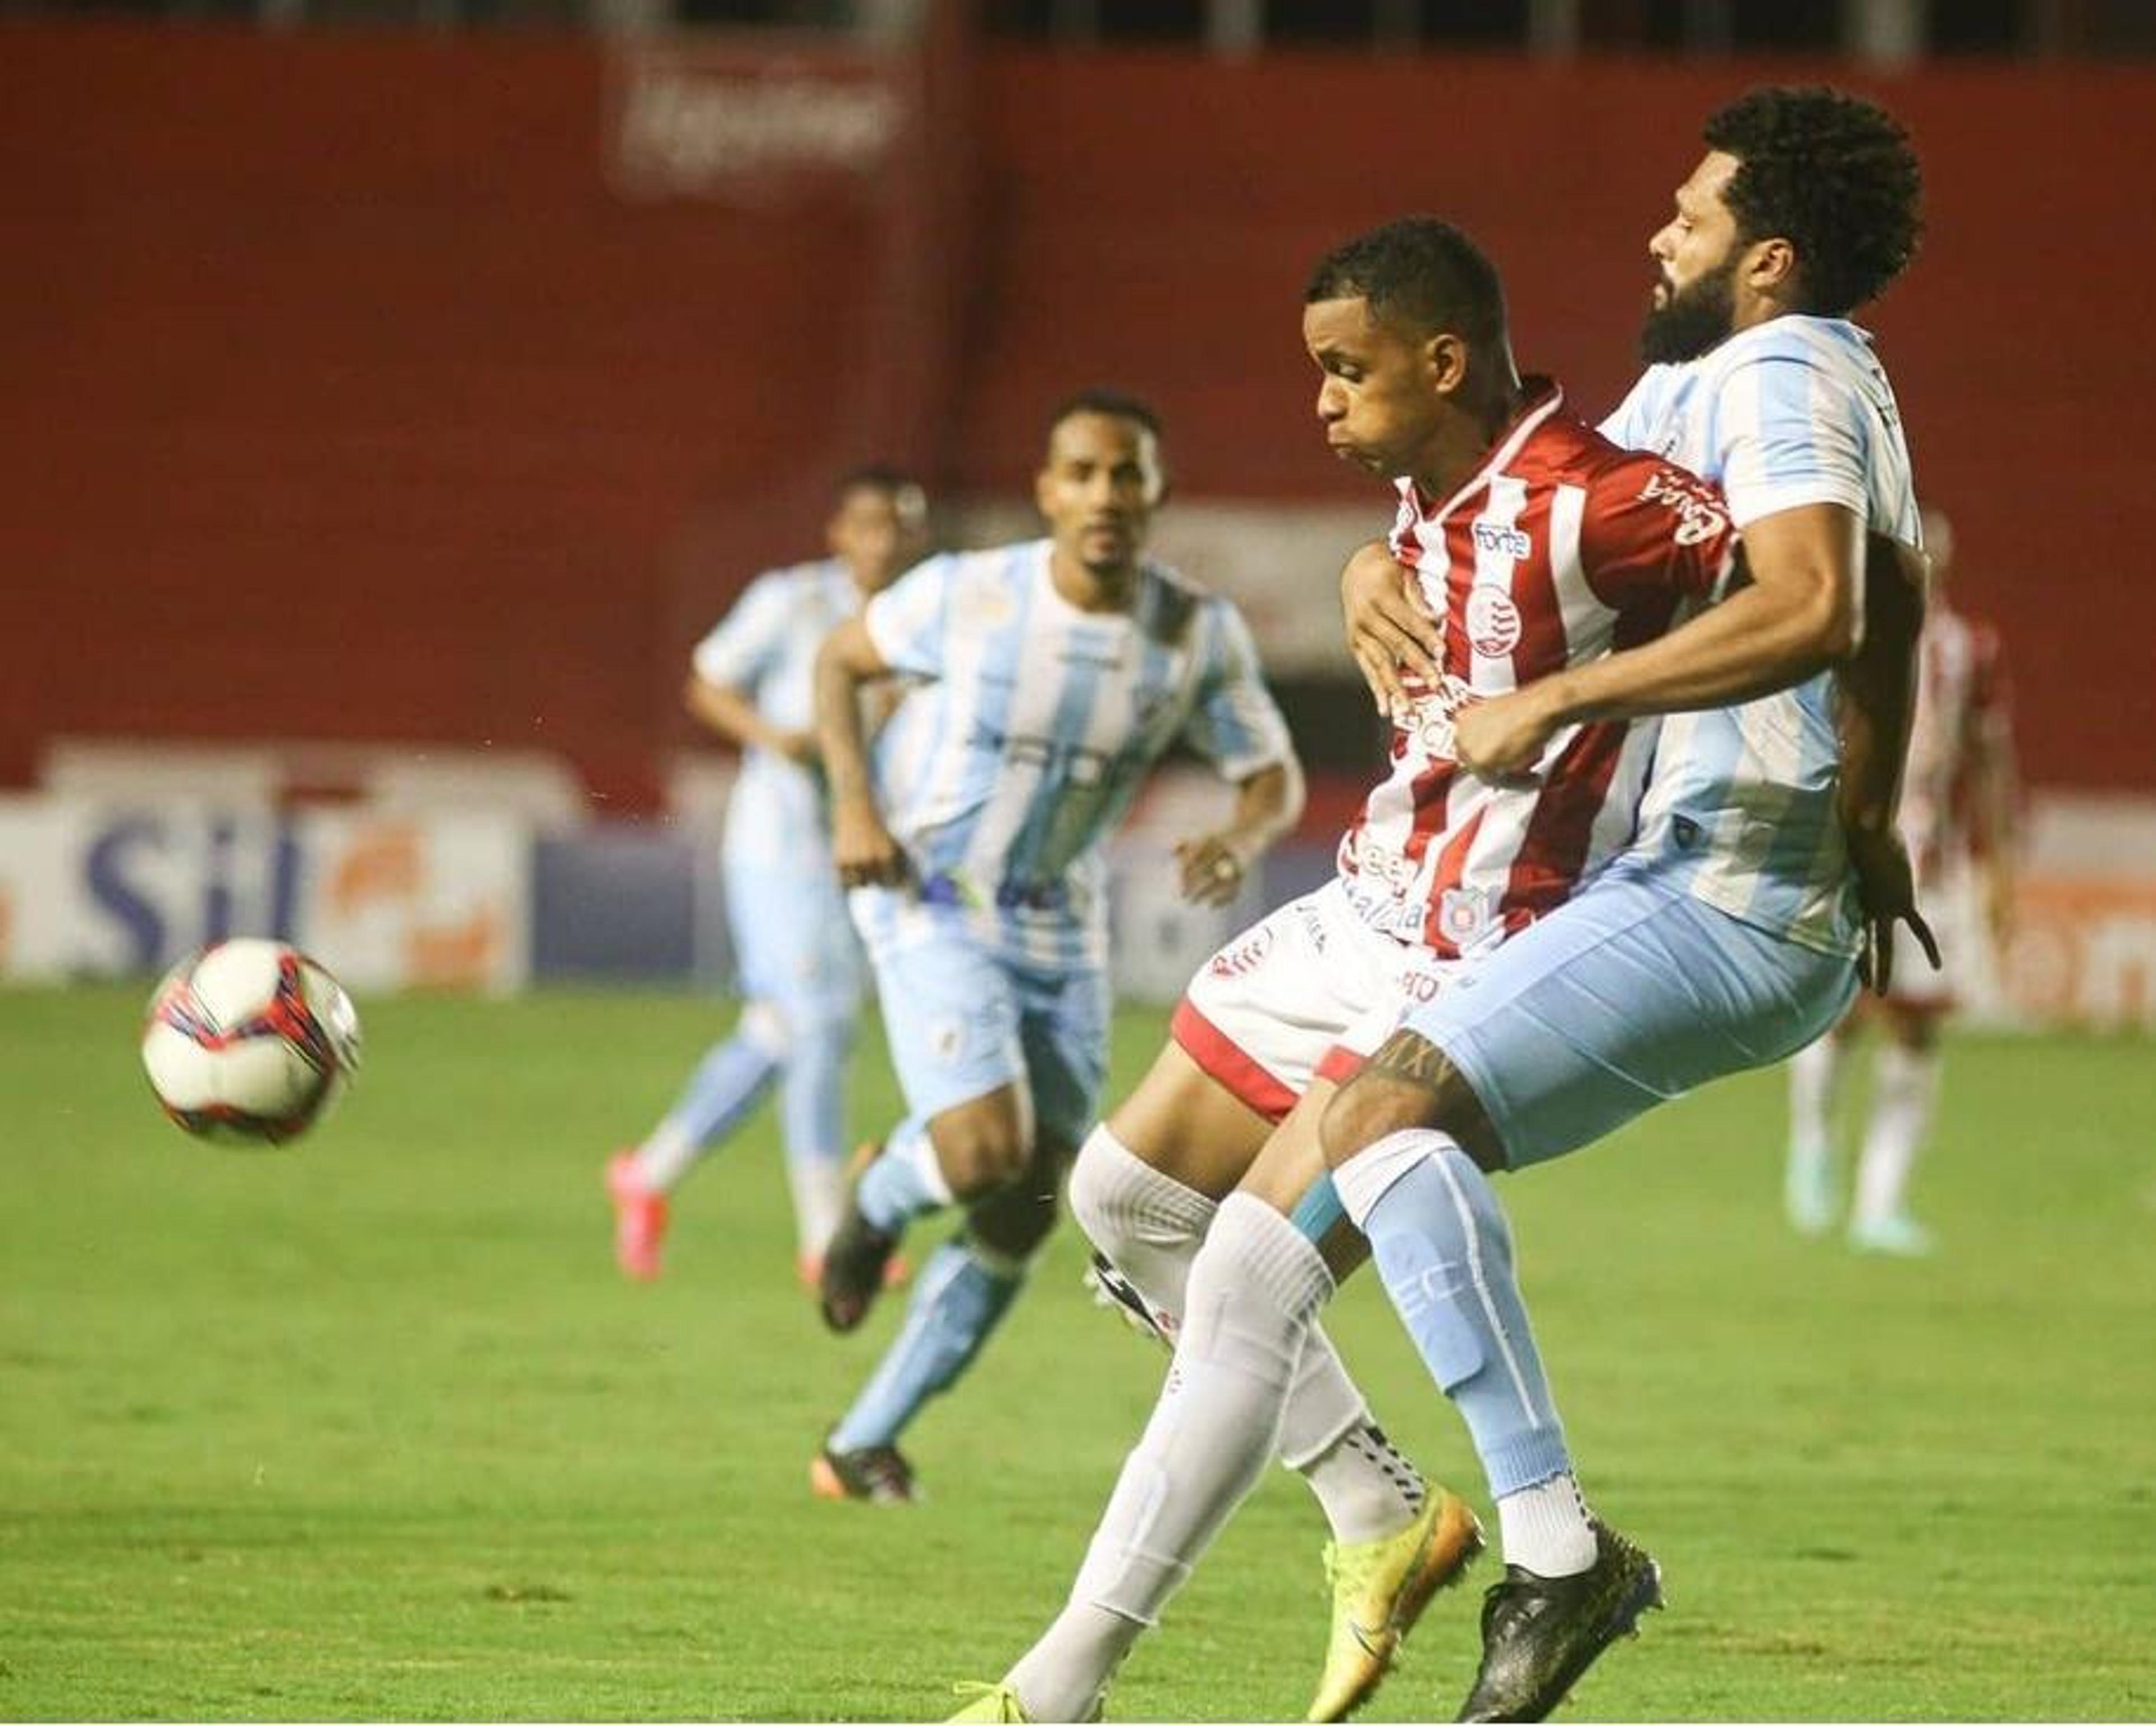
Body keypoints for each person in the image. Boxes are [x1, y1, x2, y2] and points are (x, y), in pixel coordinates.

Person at [954, 84, 1929, 1725]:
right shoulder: (1713, 383)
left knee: (1337, 1172)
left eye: (1689, 213)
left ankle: (1486, 1568)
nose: (1655, 231)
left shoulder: (1781, 364)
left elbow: (1825, 595)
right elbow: (1868, 585)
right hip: (1644, 877)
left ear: (1766, 257)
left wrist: (1563, 711)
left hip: (1707, 892)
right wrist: (1872, 794)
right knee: (1199, 1211)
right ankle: (1411, 1542)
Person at [803, 389, 1305, 1509]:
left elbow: (1271, 774)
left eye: (1128, 475)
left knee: (1031, 1202)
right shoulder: (971, 595)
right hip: (930, 890)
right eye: (1082, 472)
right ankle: (881, 1197)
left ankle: (862, 1442)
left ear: (1157, 493)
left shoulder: (1192, 634)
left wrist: (1240, 831)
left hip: (1059, 916)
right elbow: (839, 662)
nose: (1105, 496)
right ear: (1047, 491)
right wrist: (852, 805)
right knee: (985, 1151)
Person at [607, 468, 930, 1284]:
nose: (883, 542)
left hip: (861, 850)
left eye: (898, 527)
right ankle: (827, 1238)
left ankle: (647, 1176)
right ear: (839, 534)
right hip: (777, 849)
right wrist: (774, 737)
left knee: (778, 1031)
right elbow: (706, 680)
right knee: (821, 1024)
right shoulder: (791, 601)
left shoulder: (930, 616)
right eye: (868, 526)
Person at [1785, 505, 2017, 1254]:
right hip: (1847, 849)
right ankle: (1813, 1147)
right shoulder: (1842, 635)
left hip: (1932, 862)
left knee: (1916, 1025)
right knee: (1841, 1013)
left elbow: (1989, 764)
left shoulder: (1968, 650)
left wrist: (1999, 864)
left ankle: (1880, 1205)